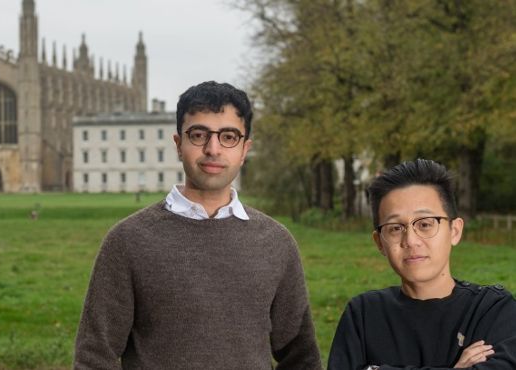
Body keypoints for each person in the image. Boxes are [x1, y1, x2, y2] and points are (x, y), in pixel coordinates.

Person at [74, 81, 322, 369]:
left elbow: (300, 356)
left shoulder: (276, 242)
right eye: (199, 135)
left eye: (228, 136)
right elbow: (94, 355)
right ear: (179, 145)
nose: (212, 149)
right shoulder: (129, 240)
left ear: (244, 149)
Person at [328, 159, 516, 370]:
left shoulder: (491, 310)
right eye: (395, 228)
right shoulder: (363, 315)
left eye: (425, 224)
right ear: (380, 242)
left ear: (455, 231)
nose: (410, 240)